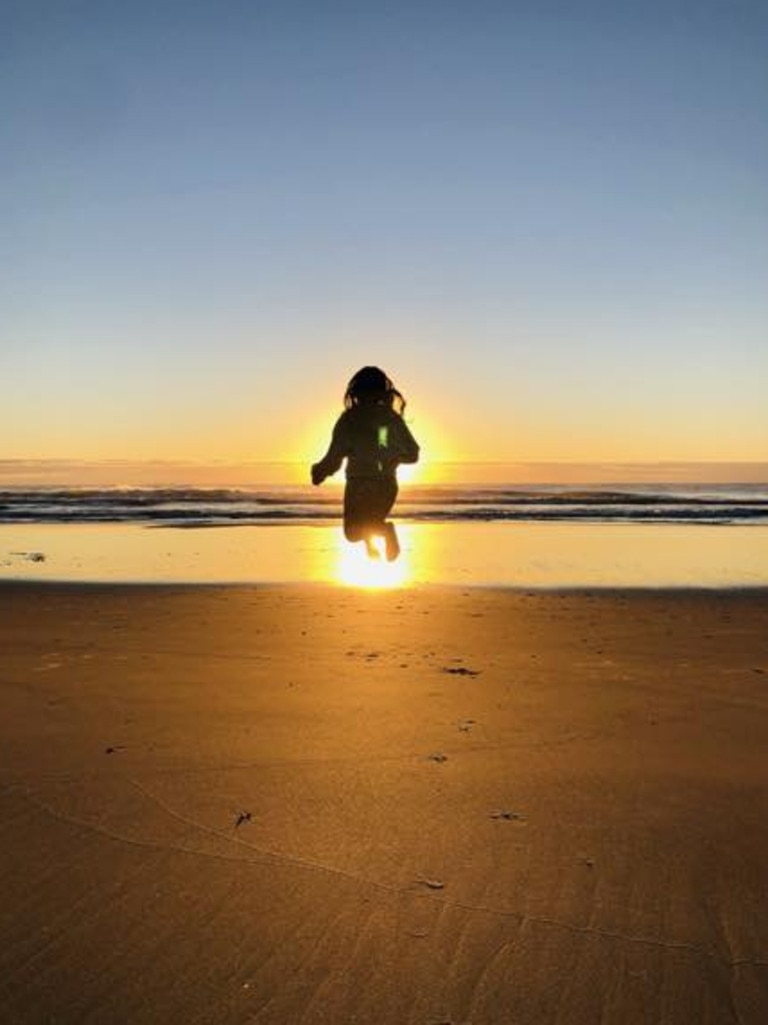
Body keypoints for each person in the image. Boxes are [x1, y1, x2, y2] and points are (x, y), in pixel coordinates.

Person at [311, 366, 420, 561]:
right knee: (371, 522)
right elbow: (411, 453)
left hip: (359, 485)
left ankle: (386, 532)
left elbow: (334, 458)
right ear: (384, 391)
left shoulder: (349, 421)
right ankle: (374, 541)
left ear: (355, 392)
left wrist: (319, 471)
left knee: (353, 533)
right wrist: (394, 459)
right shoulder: (388, 420)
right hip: (387, 485)